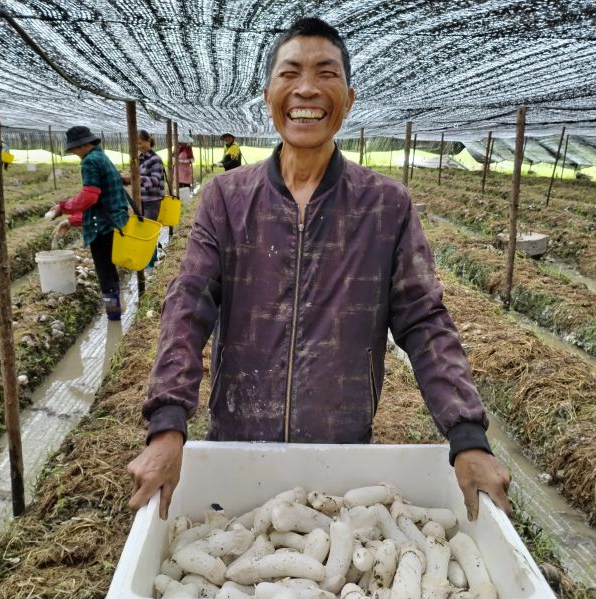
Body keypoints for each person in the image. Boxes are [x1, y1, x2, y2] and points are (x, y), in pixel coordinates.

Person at [128, 17, 512, 523]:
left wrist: (467, 436)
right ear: (268, 94)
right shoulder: (227, 197)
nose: (306, 88)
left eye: (325, 73)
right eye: (291, 73)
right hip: (238, 444)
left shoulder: (385, 206)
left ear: (347, 99)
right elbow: (188, 306)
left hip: (341, 450)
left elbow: (424, 321)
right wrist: (167, 422)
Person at [46, 126, 129, 320]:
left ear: (82, 145)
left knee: (104, 271)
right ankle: (116, 309)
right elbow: (100, 203)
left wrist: (63, 207)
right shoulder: (102, 157)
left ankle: (113, 317)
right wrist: (71, 220)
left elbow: (90, 197)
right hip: (113, 221)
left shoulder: (89, 161)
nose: (74, 153)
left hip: (104, 226)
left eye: (74, 149)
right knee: (109, 268)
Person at [121, 129, 165, 267]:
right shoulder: (139, 159)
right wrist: (126, 179)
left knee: (148, 232)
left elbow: (156, 180)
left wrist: (136, 179)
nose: (138, 146)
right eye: (136, 144)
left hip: (152, 201)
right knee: (141, 232)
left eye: (140, 143)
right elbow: (135, 179)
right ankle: (143, 259)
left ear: (148, 141)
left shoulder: (155, 159)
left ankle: (150, 264)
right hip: (140, 201)